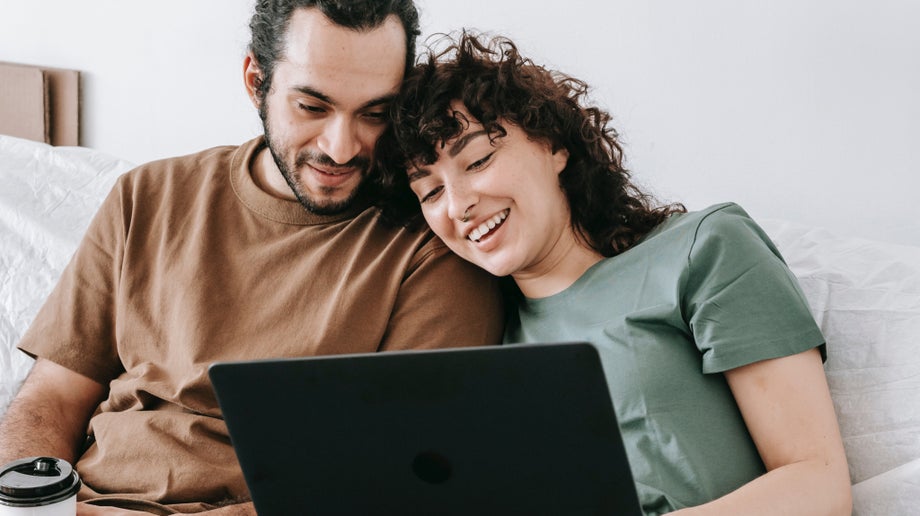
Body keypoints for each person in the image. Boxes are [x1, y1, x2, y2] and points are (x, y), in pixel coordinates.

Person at [0, 3, 504, 515]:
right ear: (256, 81)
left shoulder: (431, 247)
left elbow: (389, 478)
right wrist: (34, 506)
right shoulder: (146, 195)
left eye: (374, 113)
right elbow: (50, 399)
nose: (341, 148)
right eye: (312, 107)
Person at [377, 32, 852, 515]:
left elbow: (819, 484)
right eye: (431, 192)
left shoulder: (704, 249)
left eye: (478, 160)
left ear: (553, 145)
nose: (458, 205)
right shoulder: (486, 343)